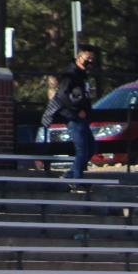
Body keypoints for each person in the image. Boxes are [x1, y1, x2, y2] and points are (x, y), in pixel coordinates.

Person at [43, 45, 96, 181]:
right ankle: (76, 179)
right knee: (82, 150)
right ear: (79, 57)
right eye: (87, 58)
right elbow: (62, 95)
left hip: (81, 118)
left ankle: (70, 174)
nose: (90, 62)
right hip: (74, 117)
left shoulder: (82, 75)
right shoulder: (71, 74)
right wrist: (76, 111)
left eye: (92, 59)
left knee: (90, 148)